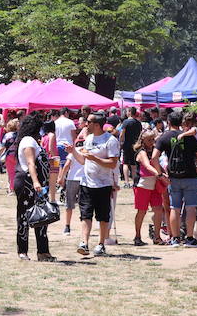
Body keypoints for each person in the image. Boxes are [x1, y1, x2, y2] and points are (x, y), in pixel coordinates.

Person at [70, 112, 120, 256]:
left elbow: (112, 163)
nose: (86, 124)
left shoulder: (110, 140)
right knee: (85, 214)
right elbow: (83, 161)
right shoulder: (88, 139)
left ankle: (101, 244)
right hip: (86, 182)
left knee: (103, 216)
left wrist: (94, 158)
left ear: (97, 124)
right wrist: (73, 151)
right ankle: (84, 243)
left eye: (89, 122)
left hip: (103, 184)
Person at [152, 111, 197, 246]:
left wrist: (160, 174)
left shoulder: (164, 137)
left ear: (168, 122)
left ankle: (175, 238)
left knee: (175, 208)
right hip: (190, 176)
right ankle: (190, 238)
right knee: (191, 208)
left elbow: (154, 157)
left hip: (173, 177)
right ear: (181, 123)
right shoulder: (189, 137)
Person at [13, 113, 56, 261]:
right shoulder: (28, 141)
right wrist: (36, 181)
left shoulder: (31, 141)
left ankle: (43, 251)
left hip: (35, 184)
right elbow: (30, 163)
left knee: (42, 217)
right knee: (25, 216)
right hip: (28, 183)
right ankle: (23, 250)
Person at [131, 130, 165, 246]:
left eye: (153, 139)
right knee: (142, 211)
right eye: (149, 140)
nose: (151, 142)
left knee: (158, 210)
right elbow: (147, 165)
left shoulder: (153, 151)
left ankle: (157, 236)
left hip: (155, 184)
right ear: (143, 140)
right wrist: (159, 175)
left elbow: (157, 164)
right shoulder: (141, 152)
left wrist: (163, 173)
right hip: (143, 185)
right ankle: (137, 236)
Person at [119, 107, 143, 188]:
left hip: (127, 145)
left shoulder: (126, 122)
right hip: (135, 146)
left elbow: (122, 134)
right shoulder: (138, 123)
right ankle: (134, 182)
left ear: (129, 112)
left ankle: (126, 182)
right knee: (134, 164)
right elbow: (140, 134)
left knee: (125, 163)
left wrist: (121, 142)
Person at [40, 120, 59, 204]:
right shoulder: (52, 135)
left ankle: (45, 197)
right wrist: (57, 157)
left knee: (46, 179)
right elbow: (51, 149)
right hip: (53, 159)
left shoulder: (44, 136)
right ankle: (53, 199)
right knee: (53, 181)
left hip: (45, 159)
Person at [1, 119, 19, 194]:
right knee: (17, 172)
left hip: (9, 155)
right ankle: (18, 187)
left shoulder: (7, 135)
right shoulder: (18, 134)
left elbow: (3, 145)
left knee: (11, 173)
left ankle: (12, 188)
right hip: (17, 155)